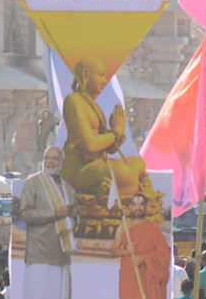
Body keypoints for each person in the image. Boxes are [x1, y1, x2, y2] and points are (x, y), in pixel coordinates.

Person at [15, 146, 77, 299]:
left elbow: (71, 219)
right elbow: (25, 213)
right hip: (40, 252)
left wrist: (73, 217)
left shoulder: (69, 189)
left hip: (61, 253)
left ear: (62, 162)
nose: (51, 161)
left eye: (55, 158)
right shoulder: (33, 183)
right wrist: (54, 213)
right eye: (47, 158)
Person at [60, 56, 148, 196]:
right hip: (79, 168)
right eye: (101, 75)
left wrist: (118, 136)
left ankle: (106, 186)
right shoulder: (74, 101)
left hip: (97, 164)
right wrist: (115, 132)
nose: (104, 81)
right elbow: (90, 144)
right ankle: (103, 189)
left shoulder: (93, 104)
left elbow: (109, 150)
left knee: (138, 163)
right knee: (127, 175)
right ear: (86, 75)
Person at [112, 192, 171, 299]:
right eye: (135, 204)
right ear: (130, 207)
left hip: (145, 274)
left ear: (145, 207)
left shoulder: (153, 229)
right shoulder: (123, 226)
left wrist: (144, 258)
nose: (137, 207)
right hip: (128, 276)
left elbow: (162, 253)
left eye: (141, 204)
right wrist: (126, 251)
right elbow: (114, 250)